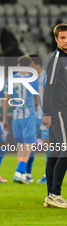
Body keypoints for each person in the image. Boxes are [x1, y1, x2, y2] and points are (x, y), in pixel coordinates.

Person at [3, 56, 39, 184]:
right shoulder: (33, 79)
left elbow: (6, 100)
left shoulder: (10, 79)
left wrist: (4, 117)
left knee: (21, 146)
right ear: (29, 66)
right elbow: (36, 101)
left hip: (16, 116)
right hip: (29, 115)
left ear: (18, 65)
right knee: (28, 146)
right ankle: (19, 171)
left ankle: (21, 175)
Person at [42, 23, 67, 208]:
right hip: (58, 110)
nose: (66, 41)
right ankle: (55, 194)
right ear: (56, 39)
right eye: (63, 38)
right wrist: (47, 113)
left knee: (55, 152)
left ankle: (51, 195)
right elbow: (48, 87)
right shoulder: (57, 58)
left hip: (62, 110)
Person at [27, 54, 49, 184]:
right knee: (29, 144)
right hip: (33, 116)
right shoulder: (29, 79)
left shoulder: (47, 77)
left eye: (31, 66)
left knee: (48, 145)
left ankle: (48, 174)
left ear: (38, 66)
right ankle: (27, 174)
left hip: (45, 116)